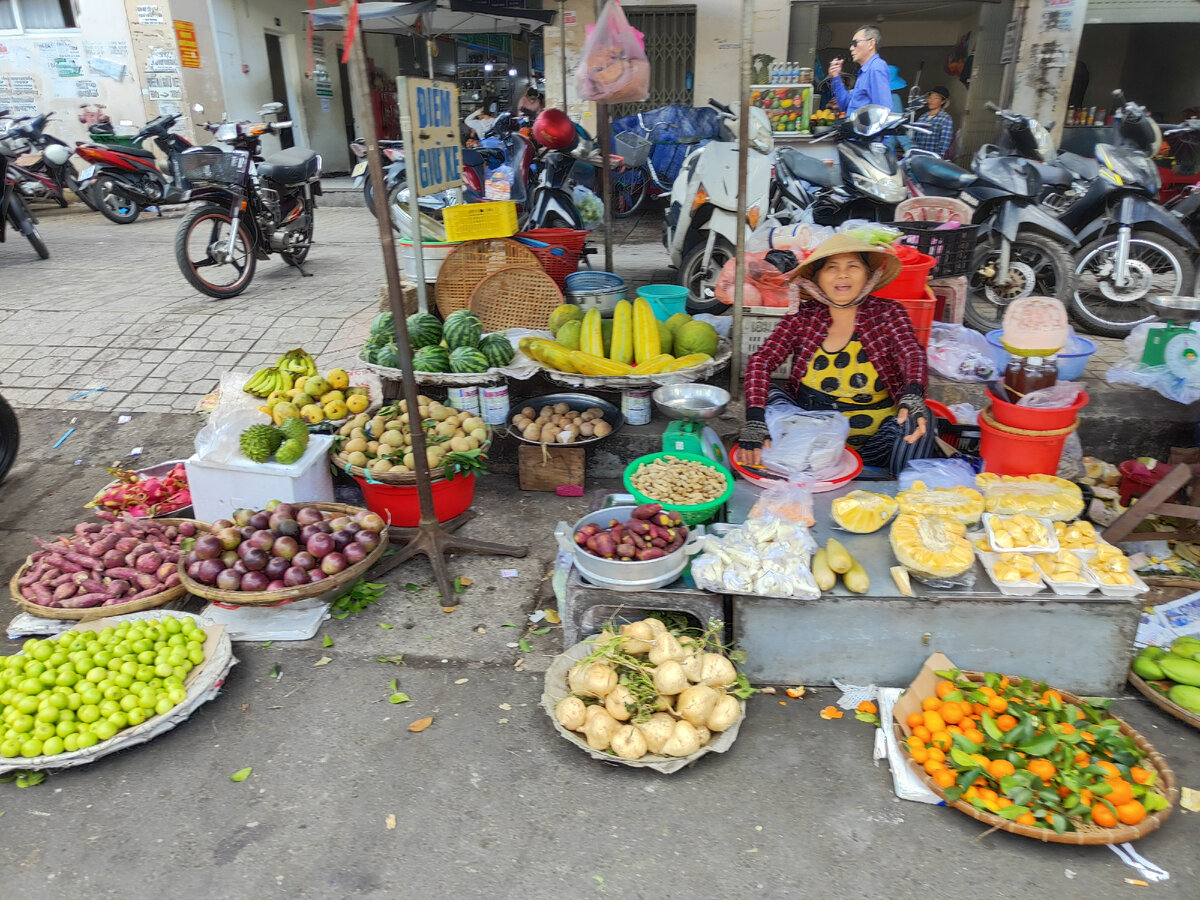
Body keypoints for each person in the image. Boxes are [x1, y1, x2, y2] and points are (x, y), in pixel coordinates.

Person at [736, 234, 937, 476]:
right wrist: (754, 420)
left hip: (874, 442)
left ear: (868, 275)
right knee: (763, 394)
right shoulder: (803, 317)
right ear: (818, 278)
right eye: (832, 268)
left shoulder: (888, 313)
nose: (843, 275)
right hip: (810, 441)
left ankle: (904, 495)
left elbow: (911, 353)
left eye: (853, 266)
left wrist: (913, 394)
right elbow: (762, 360)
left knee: (920, 419)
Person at [827, 25, 892, 115]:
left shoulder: (876, 67)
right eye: (851, 45)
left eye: (855, 43)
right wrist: (836, 77)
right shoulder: (865, 71)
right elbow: (845, 105)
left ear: (871, 44)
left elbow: (883, 110)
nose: (851, 48)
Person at [910, 85, 954, 158]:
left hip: (932, 159)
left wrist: (938, 157)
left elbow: (944, 142)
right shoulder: (922, 117)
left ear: (943, 101)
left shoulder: (946, 119)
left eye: (935, 98)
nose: (931, 100)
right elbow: (914, 137)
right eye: (930, 97)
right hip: (917, 157)